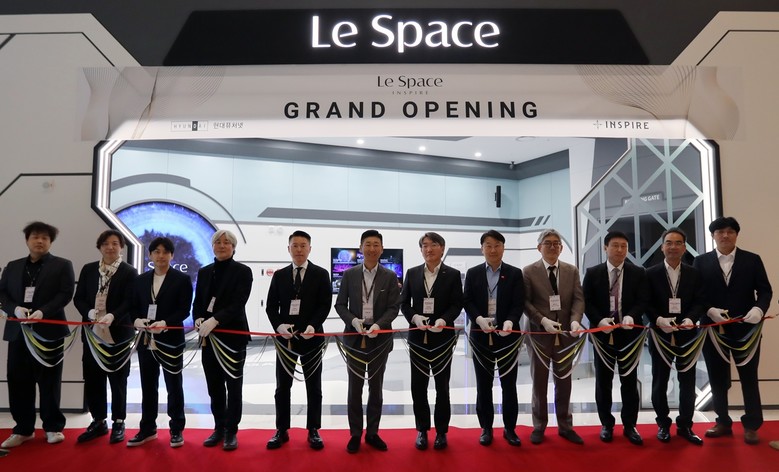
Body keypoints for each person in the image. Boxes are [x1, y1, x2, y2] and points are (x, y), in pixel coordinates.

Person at [693, 216, 772, 445]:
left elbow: (765, 291)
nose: (725, 235)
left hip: (746, 330)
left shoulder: (752, 259)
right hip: (713, 329)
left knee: (749, 377)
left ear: (737, 234)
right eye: (720, 232)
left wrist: (758, 309)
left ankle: (752, 425)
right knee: (717, 378)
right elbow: (695, 294)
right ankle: (723, 422)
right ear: (713, 236)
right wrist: (709, 310)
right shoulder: (700, 262)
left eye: (730, 231)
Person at [0, 221, 75, 448]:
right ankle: (23, 429)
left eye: (44, 238)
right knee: (18, 380)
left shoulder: (62, 265)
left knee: (49, 381)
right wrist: (14, 309)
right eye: (35, 237)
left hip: (49, 332)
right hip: (18, 332)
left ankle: (52, 427)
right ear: (27, 240)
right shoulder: (13, 266)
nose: (39, 241)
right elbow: (2, 294)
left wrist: (43, 312)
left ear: (50, 242)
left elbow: (65, 294)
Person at [265, 230, 332, 451]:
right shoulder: (280, 275)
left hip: (312, 338)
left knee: (314, 386)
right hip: (286, 341)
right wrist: (279, 327)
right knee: (282, 386)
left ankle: (313, 429)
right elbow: (271, 306)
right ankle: (281, 429)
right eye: (295, 245)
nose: (299, 249)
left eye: (303, 245)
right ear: (289, 249)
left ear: (310, 249)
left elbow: (324, 304)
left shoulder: (320, 274)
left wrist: (313, 325)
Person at [335, 230, 400, 454]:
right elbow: (340, 305)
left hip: (379, 341)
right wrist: (353, 321)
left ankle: (372, 433)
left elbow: (394, 307)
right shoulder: (349, 275)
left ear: (382, 249)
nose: (372, 248)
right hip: (354, 340)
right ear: (361, 248)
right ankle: (355, 434)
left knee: (376, 388)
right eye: (368, 244)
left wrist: (379, 325)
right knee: (354, 389)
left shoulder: (389, 276)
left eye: (376, 244)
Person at [582, 230, 648, 446]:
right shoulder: (593, 273)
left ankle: (630, 425)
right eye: (615, 246)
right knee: (603, 382)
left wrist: (632, 315)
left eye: (624, 246)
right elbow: (586, 301)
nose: (620, 250)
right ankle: (606, 424)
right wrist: (599, 320)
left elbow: (642, 300)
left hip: (629, 335)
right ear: (605, 248)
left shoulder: (638, 272)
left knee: (629, 381)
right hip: (603, 336)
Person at [73, 230, 137, 444]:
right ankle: (98, 421)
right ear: (99, 246)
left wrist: (113, 315)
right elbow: (79, 298)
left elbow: (130, 301)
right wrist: (89, 312)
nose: (110, 247)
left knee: (118, 380)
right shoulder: (89, 269)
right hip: (92, 335)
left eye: (115, 243)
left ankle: (119, 421)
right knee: (93, 378)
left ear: (121, 247)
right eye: (106, 243)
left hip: (118, 334)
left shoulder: (129, 271)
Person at [400, 232, 463, 451]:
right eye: (425, 245)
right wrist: (414, 318)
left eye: (433, 245)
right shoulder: (412, 273)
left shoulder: (452, 274)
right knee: (418, 386)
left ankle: (442, 431)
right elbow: (404, 303)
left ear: (442, 248)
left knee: (442, 387)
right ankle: (422, 429)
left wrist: (444, 319)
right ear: (421, 250)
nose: (429, 249)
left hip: (442, 339)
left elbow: (457, 304)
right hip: (418, 338)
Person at [128, 236, 193, 448]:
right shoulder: (140, 280)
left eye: (165, 252)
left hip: (171, 340)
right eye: (156, 252)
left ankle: (177, 429)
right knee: (148, 386)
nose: (161, 256)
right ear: (150, 255)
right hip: (146, 340)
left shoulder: (181, 279)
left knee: (174, 386)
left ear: (172, 255)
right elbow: (133, 306)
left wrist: (166, 322)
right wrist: (136, 320)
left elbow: (184, 310)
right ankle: (147, 428)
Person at [523, 229, 585, 445]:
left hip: (566, 335)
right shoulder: (529, 271)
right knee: (539, 383)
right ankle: (539, 426)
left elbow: (578, 299)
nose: (552, 246)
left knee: (564, 381)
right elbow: (525, 302)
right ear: (539, 247)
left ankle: (565, 426)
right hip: (539, 335)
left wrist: (576, 320)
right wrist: (542, 320)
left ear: (561, 247)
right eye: (547, 243)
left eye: (556, 243)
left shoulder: (571, 270)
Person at [645, 227, 706, 445]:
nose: (673, 247)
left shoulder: (694, 273)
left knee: (687, 381)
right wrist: (658, 319)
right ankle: (663, 424)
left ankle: (685, 425)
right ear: (662, 247)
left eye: (678, 243)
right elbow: (646, 302)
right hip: (660, 335)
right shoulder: (649, 273)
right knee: (660, 381)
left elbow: (700, 301)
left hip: (687, 335)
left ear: (684, 247)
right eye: (669, 243)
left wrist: (691, 318)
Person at [463, 230, 523, 447]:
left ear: (503, 248)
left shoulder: (514, 273)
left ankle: (510, 428)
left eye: (497, 245)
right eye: (488, 245)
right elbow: (467, 300)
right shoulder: (473, 273)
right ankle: (486, 428)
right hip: (481, 336)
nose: (493, 250)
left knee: (509, 384)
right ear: (482, 249)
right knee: (483, 384)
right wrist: (478, 319)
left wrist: (510, 321)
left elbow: (518, 303)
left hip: (508, 336)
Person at [194, 229, 253, 451]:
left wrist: (215, 319)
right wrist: (199, 317)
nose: (221, 245)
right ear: (212, 246)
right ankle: (219, 427)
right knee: (214, 386)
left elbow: (238, 303)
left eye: (226, 242)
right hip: (209, 339)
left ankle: (231, 430)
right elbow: (198, 301)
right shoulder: (204, 271)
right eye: (218, 242)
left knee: (234, 386)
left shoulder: (243, 271)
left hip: (233, 337)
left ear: (233, 247)